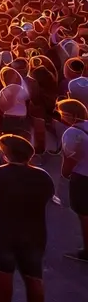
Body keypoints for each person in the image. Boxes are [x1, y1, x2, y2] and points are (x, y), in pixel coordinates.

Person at [0, 134, 55, 302]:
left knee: (4, 272)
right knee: (34, 276)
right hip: (34, 233)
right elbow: (48, 198)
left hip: (2, 231)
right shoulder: (43, 176)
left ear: (8, 153)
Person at [56, 98, 88, 262]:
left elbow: (70, 159)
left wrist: (65, 174)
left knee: (84, 214)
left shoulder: (72, 133)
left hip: (82, 177)